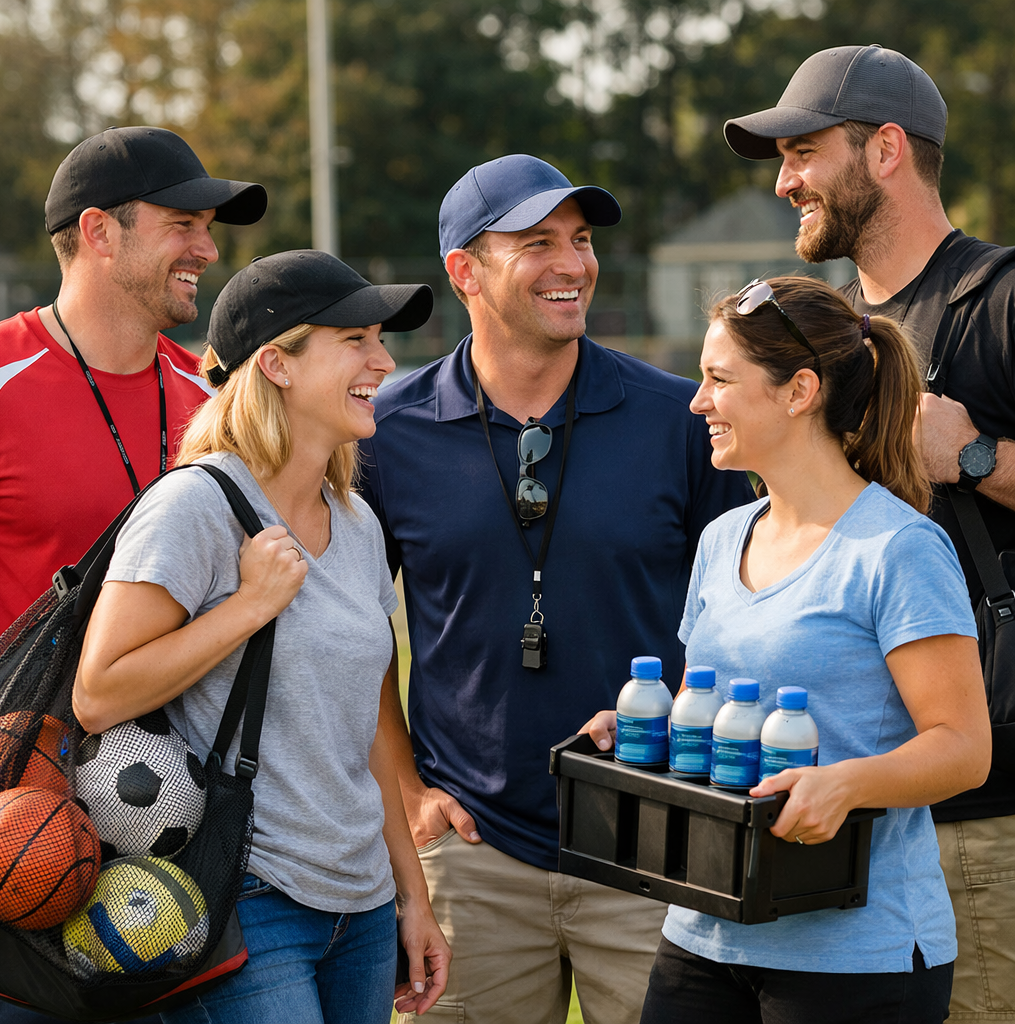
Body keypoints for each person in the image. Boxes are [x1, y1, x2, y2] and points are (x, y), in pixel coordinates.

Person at [357, 154, 754, 1024]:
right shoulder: (387, 431)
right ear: (464, 270)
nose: (573, 263)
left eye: (579, 240)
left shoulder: (679, 418)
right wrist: (409, 793)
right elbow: (351, 632)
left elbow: (739, 612)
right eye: (537, 243)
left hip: (657, 842)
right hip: (472, 855)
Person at [582, 275, 992, 1022]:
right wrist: (641, 723)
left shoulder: (898, 549)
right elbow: (711, 699)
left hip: (854, 957)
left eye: (719, 380)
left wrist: (845, 784)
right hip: (704, 929)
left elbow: (963, 748)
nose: (697, 401)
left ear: (799, 391)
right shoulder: (722, 538)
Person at [71, 250, 449, 1023]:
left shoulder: (357, 521)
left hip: (364, 904)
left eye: (381, 340)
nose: (384, 361)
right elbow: (98, 693)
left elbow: (369, 728)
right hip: (249, 896)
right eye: (357, 341)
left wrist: (413, 896)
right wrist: (247, 607)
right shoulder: (196, 506)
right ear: (277, 363)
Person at [723, 45, 1015, 1021]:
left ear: (884, 148)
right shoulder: (834, 338)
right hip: (844, 818)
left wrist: (976, 456)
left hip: (982, 819)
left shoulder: (1001, 299)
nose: (784, 181)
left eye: (803, 152)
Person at [0, 125, 267, 643]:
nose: (207, 250)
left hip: (178, 726)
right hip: (23, 723)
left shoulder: (216, 398)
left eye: (207, 228)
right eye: (183, 224)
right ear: (99, 232)